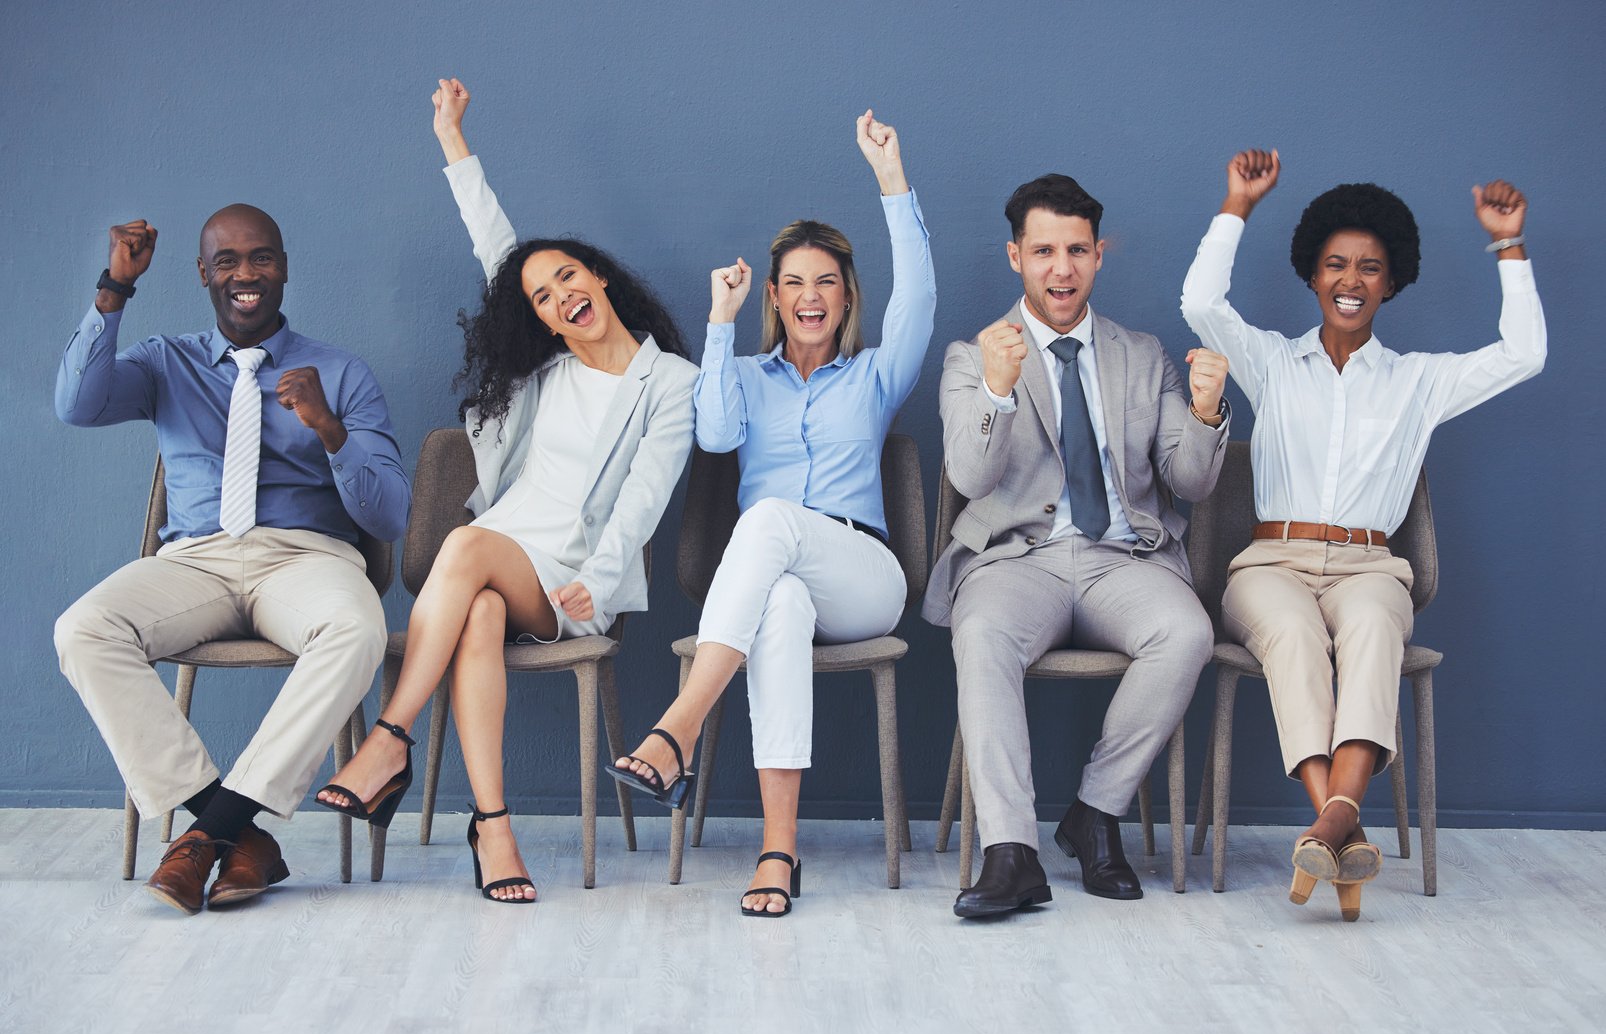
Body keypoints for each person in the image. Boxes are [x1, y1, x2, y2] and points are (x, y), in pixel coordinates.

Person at [315, 79, 697, 904]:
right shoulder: (547, 374)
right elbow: (498, 252)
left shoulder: (670, 382)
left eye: (569, 276)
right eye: (545, 298)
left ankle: (390, 739)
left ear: (598, 276)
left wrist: (597, 578)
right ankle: (494, 828)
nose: (563, 296)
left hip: (571, 574)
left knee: (465, 546)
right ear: (547, 322)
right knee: (479, 604)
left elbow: (646, 495)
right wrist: (453, 138)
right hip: (499, 560)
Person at [1180, 150, 1545, 920]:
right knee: (1290, 633)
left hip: (1369, 563)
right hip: (1270, 560)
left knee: (1377, 626)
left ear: (1391, 280)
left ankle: (1330, 824)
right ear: (1312, 275)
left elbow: (1525, 355)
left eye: (1370, 267)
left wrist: (1508, 246)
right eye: (1336, 264)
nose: (1352, 278)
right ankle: (1343, 820)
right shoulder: (1274, 362)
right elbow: (1200, 301)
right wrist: (1237, 204)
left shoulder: (1419, 380)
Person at [609, 109, 935, 917]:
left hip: (864, 575)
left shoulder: (875, 374)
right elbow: (715, 432)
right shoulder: (748, 377)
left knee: (769, 521)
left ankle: (681, 723)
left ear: (846, 294)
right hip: (778, 578)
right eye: (793, 282)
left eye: (825, 280)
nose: (808, 295)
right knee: (779, 602)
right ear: (777, 297)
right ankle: (778, 851)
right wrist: (719, 322)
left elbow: (921, 294)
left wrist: (891, 175)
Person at [53, 205, 411, 915]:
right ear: (204, 274)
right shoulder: (166, 361)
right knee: (83, 629)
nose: (245, 274)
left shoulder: (339, 371)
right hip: (196, 559)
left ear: (283, 267)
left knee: (357, 628)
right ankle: (237, 830)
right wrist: (112, 291)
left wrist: (329, 429)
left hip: (304, 556)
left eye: (261, 258)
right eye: (228, 261)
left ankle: (205, 836)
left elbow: (390, 514)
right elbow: (78, 404)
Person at [928, 174, 1230, 919]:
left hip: (1119, 559)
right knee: (983, 632)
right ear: (1014, 257)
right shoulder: (974, 356)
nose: (1060, 269)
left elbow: (1189, 481)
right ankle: (1010, 852)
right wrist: (998, 391)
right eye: (1043, 252)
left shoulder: (1144, 353)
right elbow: (969, 475)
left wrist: (1205, 408)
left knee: (1187, 630)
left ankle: (1095, 812)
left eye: (1075, 251)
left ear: (1099, 255)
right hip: (1016, 559)